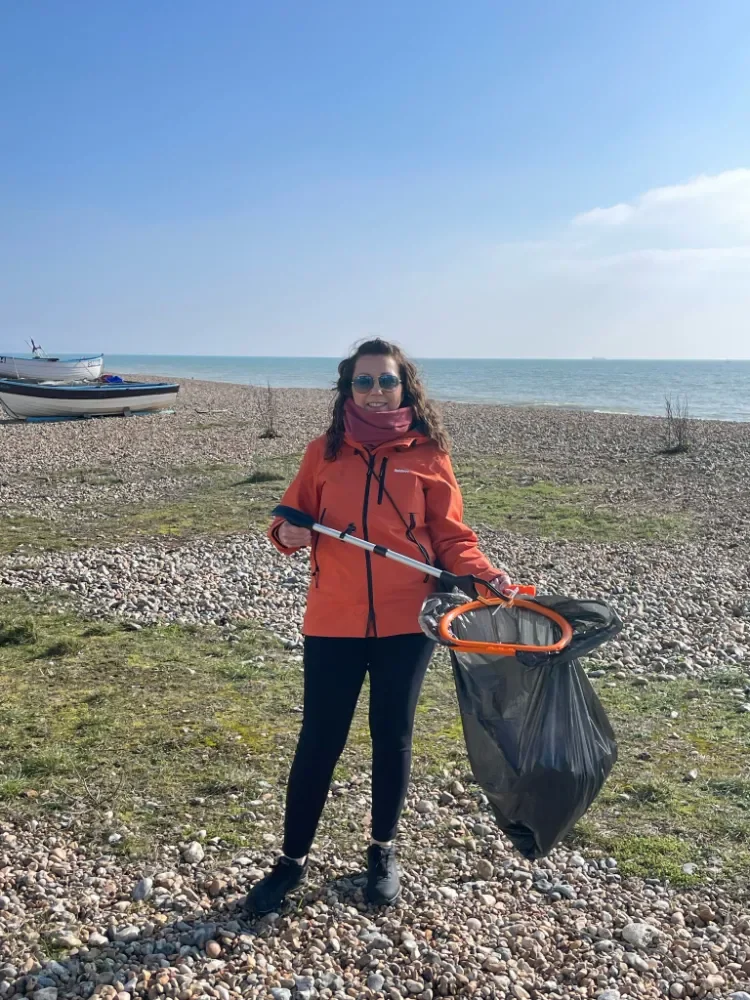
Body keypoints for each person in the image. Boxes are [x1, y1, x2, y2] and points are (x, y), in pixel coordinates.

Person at [246, 338, 512, 915]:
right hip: (333, 620)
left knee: (392, 736)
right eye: (362, 381)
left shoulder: (429, 454)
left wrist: (484, 574)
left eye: (384, 381)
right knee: (319, 739)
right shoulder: (325, 451)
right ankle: (291, 861)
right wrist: (285, 535)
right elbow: (291, 516)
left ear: (404, 385)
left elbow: (451, 537)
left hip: (405, 622)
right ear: (348, 387)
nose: (374, 391)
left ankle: (383, 850)